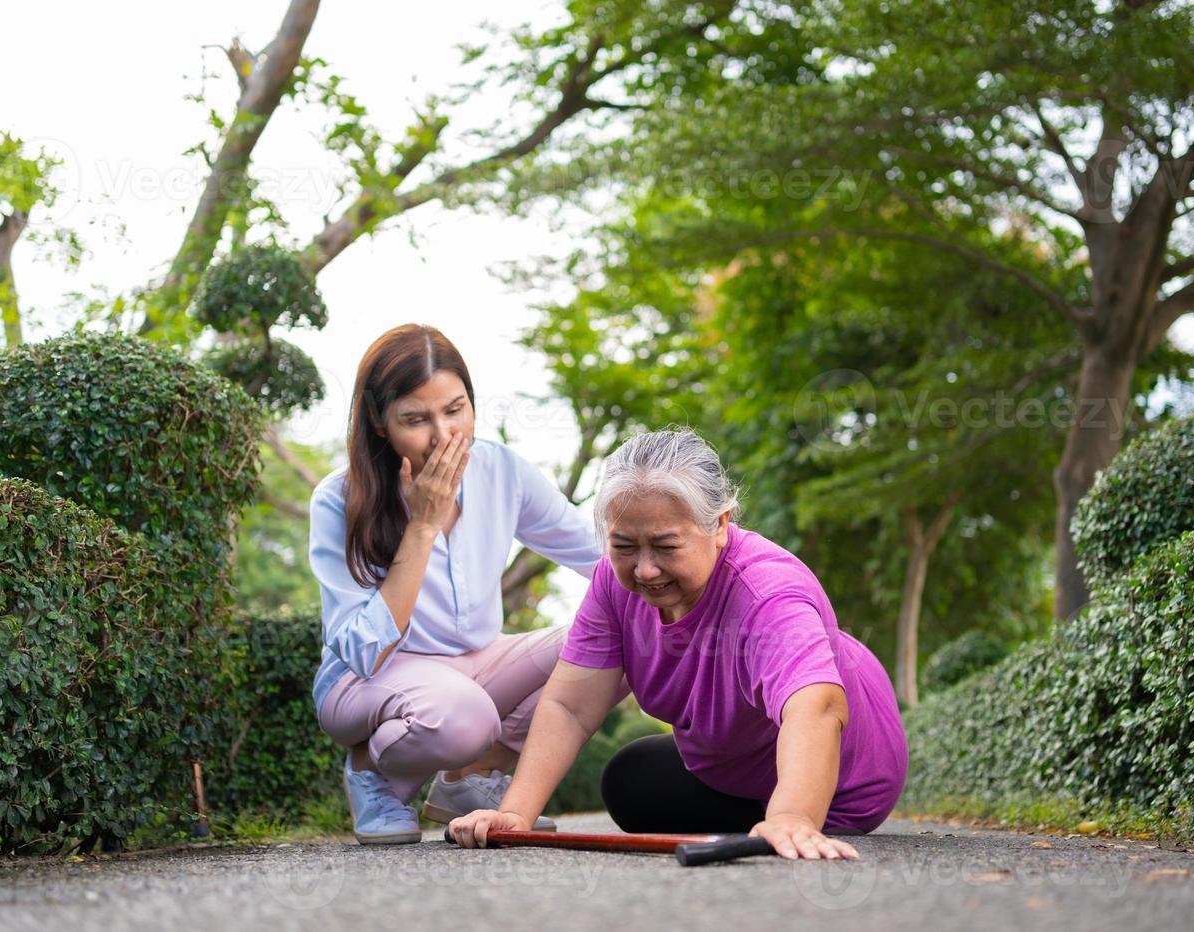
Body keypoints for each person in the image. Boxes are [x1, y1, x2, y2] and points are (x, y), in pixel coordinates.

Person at [448, 429, 909, 860]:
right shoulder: (613, 582)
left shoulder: (768, 593)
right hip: (736, 759)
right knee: (630, 783)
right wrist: (514, 816)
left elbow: (817, 709)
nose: (645, 570)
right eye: (625, 546)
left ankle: (782, 816)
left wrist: (793, 817)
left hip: (845, 776)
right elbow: (571, 705)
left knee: (775, 818)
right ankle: (766, 816)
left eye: (666, 547)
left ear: (720, 526)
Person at [310, 323, 609, 844]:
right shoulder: (339, 498)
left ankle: (467, 782)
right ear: (380, 424)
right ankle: (373, 771)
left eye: (455, 410)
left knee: (618, 637)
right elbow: (361, 650)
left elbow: (600, 556)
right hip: (367, 683)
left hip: (475, 663)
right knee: (463, 715)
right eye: (415, 419)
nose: (445, 435)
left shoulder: (501, 470)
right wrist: (422, 525)